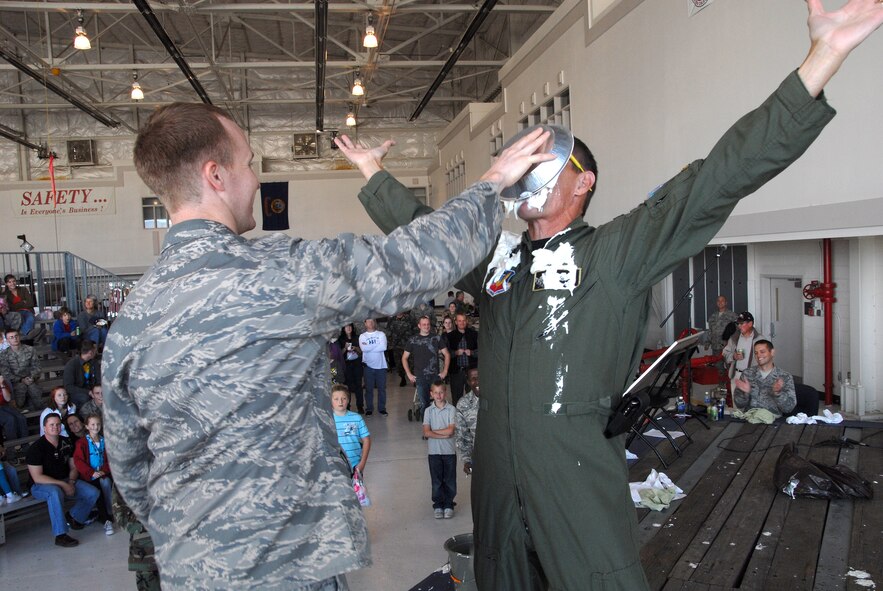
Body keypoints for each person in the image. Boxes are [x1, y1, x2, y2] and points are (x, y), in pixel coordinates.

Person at [339, 2, 882, 586]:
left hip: (573, 478)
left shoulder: (616, 254)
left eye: (544, 158)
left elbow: (714, 179)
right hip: (497, 482)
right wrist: (375, 176)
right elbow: (432, 235)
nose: (527, 170)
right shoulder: (501, 264)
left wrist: (822, 57)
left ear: (584, 181)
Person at [102, 99, 550, 589]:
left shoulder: (131, 320)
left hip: (192, 571)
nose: (254, 180)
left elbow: (130, 473)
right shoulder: (275, 275)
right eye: (248, 165)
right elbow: (414, 259)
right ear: (215, 175)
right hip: (288, 565)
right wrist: (492, 182)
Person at [26, 413, 99, 548]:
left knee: (92, 492)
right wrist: (63, 485)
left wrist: (70, 482)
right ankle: (60, 535)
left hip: (65, 479)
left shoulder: (66, 442)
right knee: (55, 492)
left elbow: (73, 466)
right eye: (51, 425)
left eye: (58, 424)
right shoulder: (36, 448)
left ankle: (73, 517)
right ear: (44, 427)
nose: (55, 427)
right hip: (41, 485)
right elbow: (37, 477)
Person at [73, 413, 115, 536]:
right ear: (86, 426)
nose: (95, 427)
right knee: (98, 492)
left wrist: (103, 471)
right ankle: (106, 520)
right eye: (92, 424)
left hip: (102, 473)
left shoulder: (104, 441)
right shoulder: (82, 443)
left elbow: (109, 459)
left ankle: (110, 512)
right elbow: (78, 461)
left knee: (107, 483)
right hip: (89, 475)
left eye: (98, 424)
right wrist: (91, 472)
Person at [733, 340, 797, 417]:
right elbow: (739, 404)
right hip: (750, 420)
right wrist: (746, 393)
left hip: (773, 422)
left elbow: (789, 408)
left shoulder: (784, 376)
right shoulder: (747, 374)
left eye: (762, 352)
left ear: (772, 352)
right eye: (756, 353)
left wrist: (778, 393)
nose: (759, 355)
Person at [422, 380, 457, 519]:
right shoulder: (428, 411)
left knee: (449, 479)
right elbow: (426, 432)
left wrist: (434, 432)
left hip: (449, 452)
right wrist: (445, 435)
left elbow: (451, 429)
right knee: (436, 481)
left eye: (441, 392)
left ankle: (448, 504)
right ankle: (438, 505)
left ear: (445, 393)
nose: (438, 395)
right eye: (435, 392)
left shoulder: (452, 409)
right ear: (431, 394)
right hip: (434, 453)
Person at [402, 315, 451, 412]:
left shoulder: (436, 338)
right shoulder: (413, 340)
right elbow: (404, 358)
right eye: (424, 324)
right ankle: (427, 425)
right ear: (419, 326)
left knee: (438, 402)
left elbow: (447, 354)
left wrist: (445, 371)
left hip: (435, 376)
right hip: (420, 377)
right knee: (424, 404)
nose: (426, 326)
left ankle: (437, 423)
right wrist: (408, 374)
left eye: (428, 324)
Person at [331, 385, 371, 475]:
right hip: (334, 467)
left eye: (344, 398)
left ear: (348, 400)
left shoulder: (356, 418)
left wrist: (362, 463)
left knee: (356, 489)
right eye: (336, 399)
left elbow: (366, 440)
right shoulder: (327, 419)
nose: (340, 402)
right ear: (330, 401)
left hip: (355, 466)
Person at [0, 328, 43, 411]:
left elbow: (37, 366)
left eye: (16, 336)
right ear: (7, 340)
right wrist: (21, 380)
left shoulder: (30, 350)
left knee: (36, 396)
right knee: (20, 399)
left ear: (19, 337)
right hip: (15, 383)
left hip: (30, 379)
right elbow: (6, 373)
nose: (15, 339)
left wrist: (31, 377)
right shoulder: (3, 355)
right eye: (11, 337)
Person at [723, 311, 764, 387]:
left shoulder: (760, 340)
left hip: (752, 379)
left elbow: (767, 360)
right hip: (736, 376)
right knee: (735, 399)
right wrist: (733, 356)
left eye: (742, 324)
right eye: (738, 324)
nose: (739, 326)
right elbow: (725, 353)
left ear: (750, 324)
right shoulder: (734, 338)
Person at [359, 318, 389, 416]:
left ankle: (382, 408)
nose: (370, 323)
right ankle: (369, 409)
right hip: (368, 366)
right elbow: (363, 348)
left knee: (382, 389)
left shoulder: (381, 334)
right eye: (368, 321)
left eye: (372, 321)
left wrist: (369, 347)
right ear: (365, 323)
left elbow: (383, 347)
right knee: (369, 389)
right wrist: (377, 345)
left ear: (375, 322)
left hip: (381, 366)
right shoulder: (362, 336)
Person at [447, 313, 478, 404]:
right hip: (456, 372)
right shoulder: (450, 336)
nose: (462, 322)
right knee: (456, 397)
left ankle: (471, 416)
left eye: (464, 320)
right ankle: (457, 416)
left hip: (472, 372)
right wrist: (455, 353)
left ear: (467, 321)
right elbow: (446, 354)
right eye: (459, 321)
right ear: (456, 322)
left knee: (473, 396)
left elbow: (482, 351)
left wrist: (472, 352)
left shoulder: (474, 334)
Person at [455, 367, 480, 475]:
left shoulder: (498, 399)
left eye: (480, 378)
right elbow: (462, 435)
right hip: (478, 458)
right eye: (473, 379)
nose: (477, 381)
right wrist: (467, 460)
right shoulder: (463, 404)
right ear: (469, 382)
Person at [63, 340, 99, 408]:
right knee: (85, 398)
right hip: (78, 391)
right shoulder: (71, 364)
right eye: (95, 350)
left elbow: (98, 378)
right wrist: (87, 392)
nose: (97, 352)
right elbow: (68, 386)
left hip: (92, 389)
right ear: (90, 353)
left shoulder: (94, 362)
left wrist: (97, 390)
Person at [338, 323, 365, 413]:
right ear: (343, 328)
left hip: (357, 364)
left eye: (350, 326)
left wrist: (356, 348)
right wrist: (345, 349)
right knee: (348, 387)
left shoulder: (357, 337)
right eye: (346, 326)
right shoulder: (340, 339)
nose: (349, 328)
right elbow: (339, 354)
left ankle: (360, 406)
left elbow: (362, 352)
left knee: (358, 385)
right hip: (347, 365)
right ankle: (347, 406)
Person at [386, 311, 415, 387]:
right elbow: (388, 332)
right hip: (397, 346)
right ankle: (403, 378)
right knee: (399, 364)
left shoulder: (409, 318)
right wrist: (391, 343)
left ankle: (414, 379)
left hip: (408, 346)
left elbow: (415, 329)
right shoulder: (391, 320)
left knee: (412, 363)